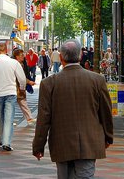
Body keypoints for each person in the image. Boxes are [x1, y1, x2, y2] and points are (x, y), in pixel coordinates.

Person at [33, 39, 113, 178]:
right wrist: (108, 137)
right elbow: (106, 112)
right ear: (81, 55)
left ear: (61, 58)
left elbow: (43, 118)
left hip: (61, 142)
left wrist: (38, 146)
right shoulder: (97, 80)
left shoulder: (49, 83)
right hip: (89, 141)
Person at [0, 42, 27, 151]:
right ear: (7, 50)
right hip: (10, 93)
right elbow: (22, 79)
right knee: (9, 118)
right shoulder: (13, 63)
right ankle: (6, 143)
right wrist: (22, 88)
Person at [12, 48, 36, 125]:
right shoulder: (15, 64)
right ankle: (29, 119)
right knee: (13, 104)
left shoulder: (21, 64)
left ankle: (29, 118)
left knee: (22, 102)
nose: (23, 56)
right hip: (15, 87)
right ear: (17, 56)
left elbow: (22, 77)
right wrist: (29, 82)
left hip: (19, 87)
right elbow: (21, 77)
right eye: (21, 55)